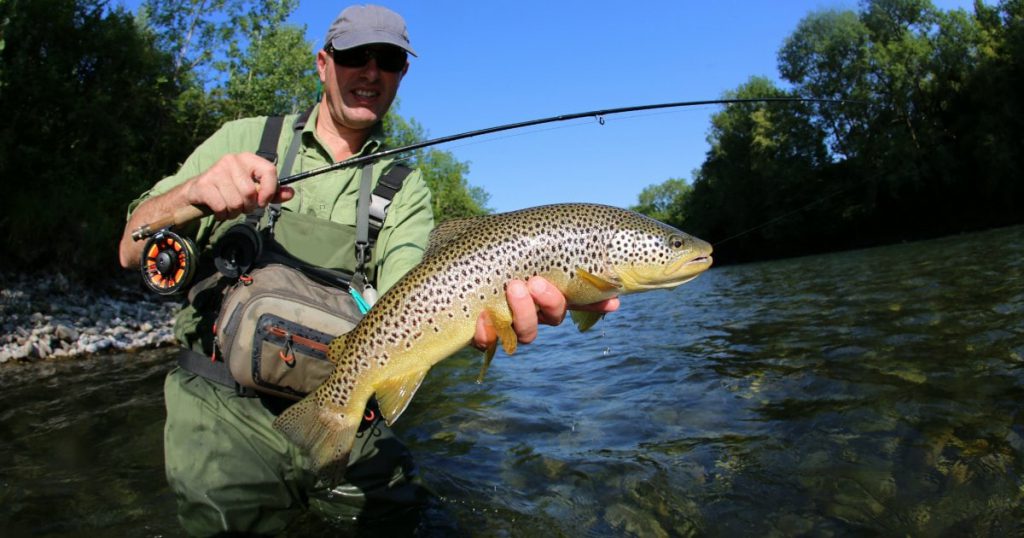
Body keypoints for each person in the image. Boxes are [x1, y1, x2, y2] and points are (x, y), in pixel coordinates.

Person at [119, 5, 617, 535]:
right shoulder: (244, 139)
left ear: (403, 73)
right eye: (357, 56)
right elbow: (130, 249)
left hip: (346, 396)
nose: (372, 72)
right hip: (224, 406)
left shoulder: (404, 187)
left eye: (390, 60)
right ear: (323, 64)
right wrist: (194, 194)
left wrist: (482, 315)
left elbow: (408, 295)